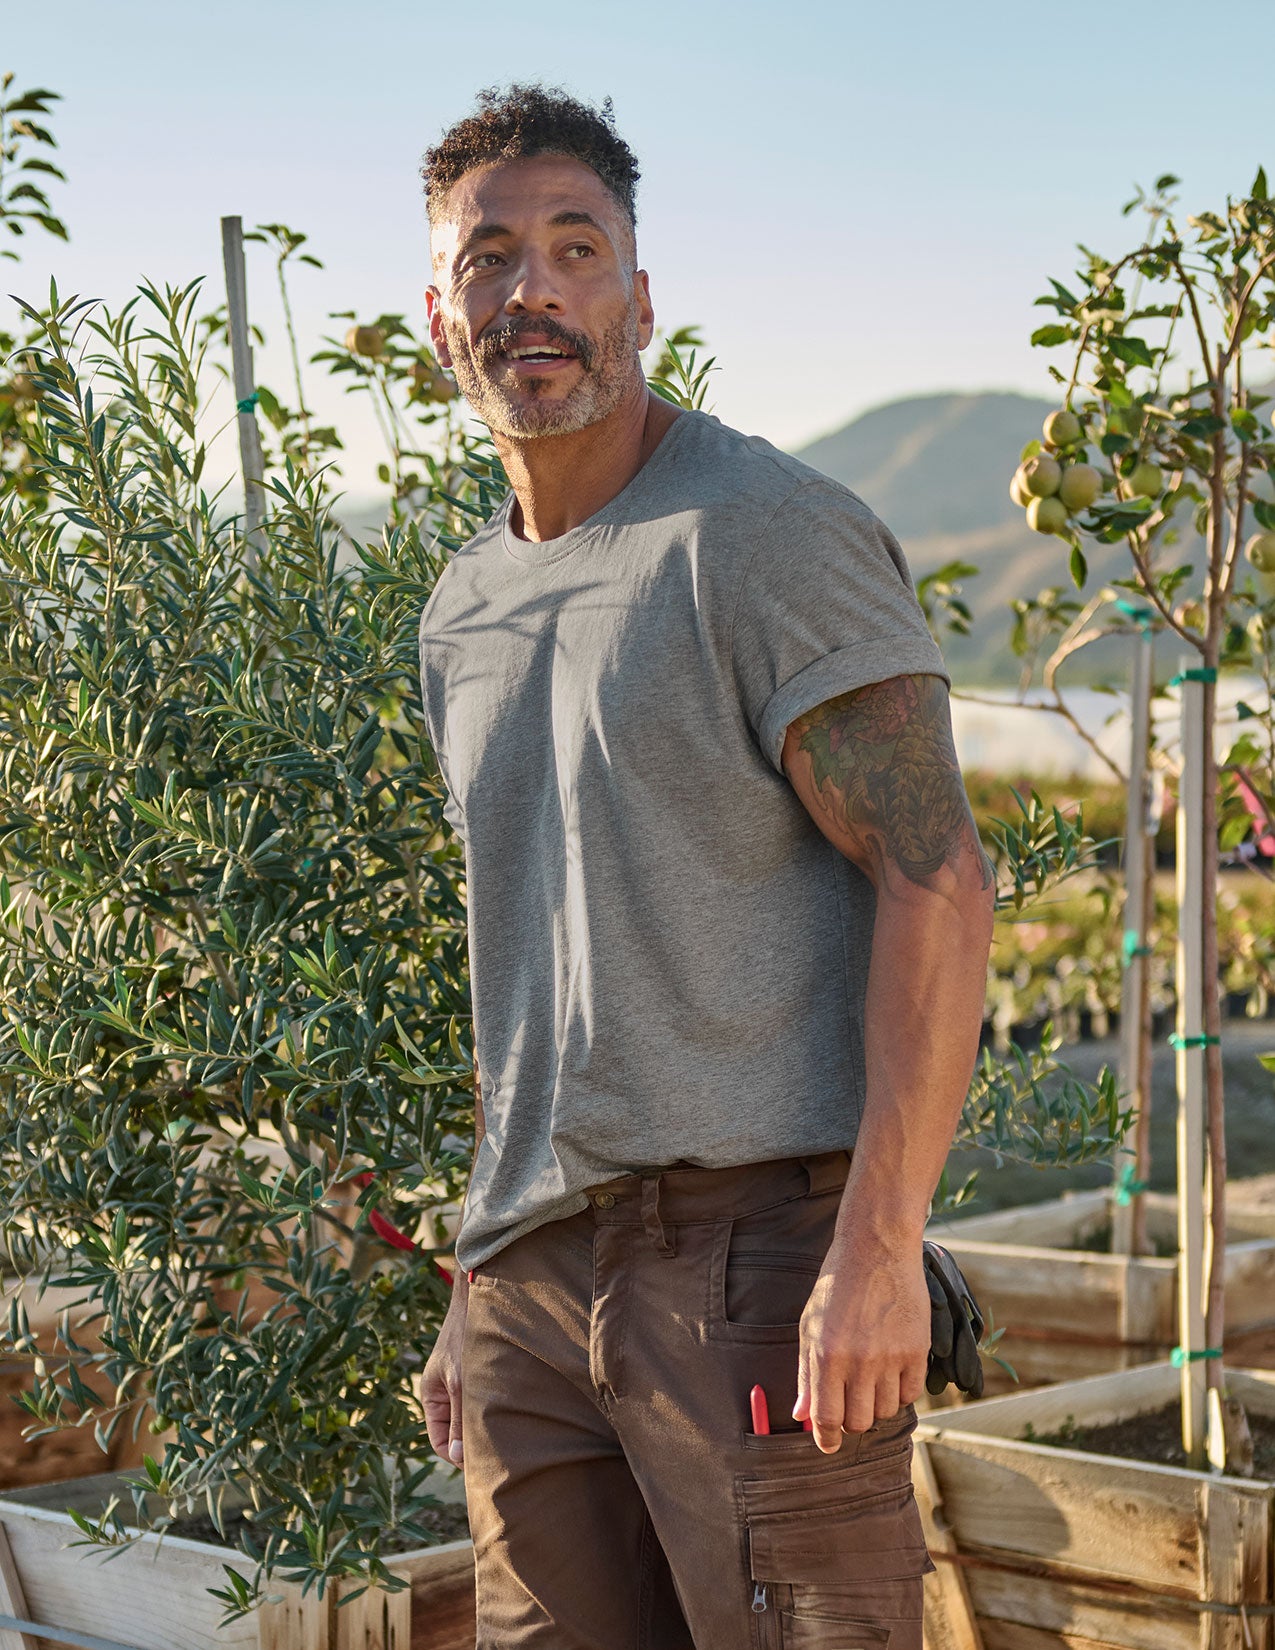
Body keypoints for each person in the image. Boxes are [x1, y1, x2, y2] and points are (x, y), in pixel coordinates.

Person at [416, 83, 995, 1650]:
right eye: (489, 257)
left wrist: (876, 1252)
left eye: (573, 248)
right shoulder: (464, 606)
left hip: (754, 1261)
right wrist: (478, 1271)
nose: (528, 288)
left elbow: (940, 879)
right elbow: (530, 959)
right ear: (439, 313)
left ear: (640, 298)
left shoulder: (760, 536)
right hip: (529, 1289)